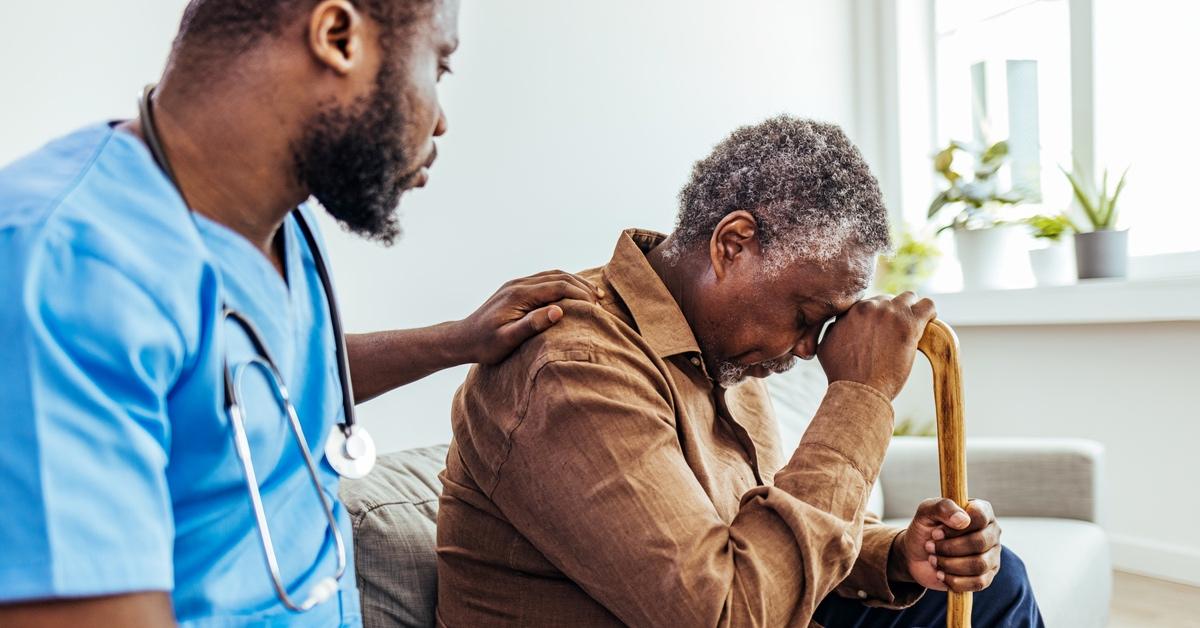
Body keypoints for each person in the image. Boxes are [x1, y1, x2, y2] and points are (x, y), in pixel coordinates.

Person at [0, 0, 600, 626]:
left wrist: (455, 341)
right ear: (338, 36)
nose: (442, 121)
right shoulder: (59, 269)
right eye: (439, 66)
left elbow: (258, 377)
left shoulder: (282, 223)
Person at [436, 116, 1044, 627]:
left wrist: (896, 556)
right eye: (807, 315)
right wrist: (860, 396)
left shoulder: (727, 356)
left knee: (997, 584)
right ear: (734, 243)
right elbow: (728, 611)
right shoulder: (573, 365)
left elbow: (766, 547)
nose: (809, 349)